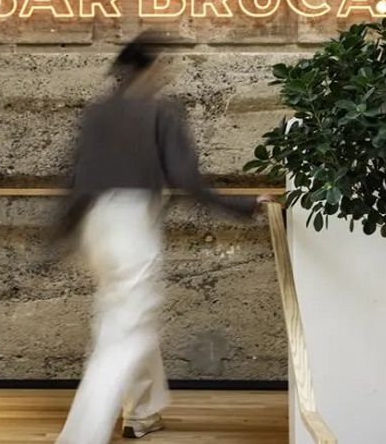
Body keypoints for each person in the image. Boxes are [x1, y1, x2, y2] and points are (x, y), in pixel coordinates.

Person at [53, 33, 273, 443]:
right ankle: (80, 437)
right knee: (126, 335)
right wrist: (243, 204)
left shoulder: (97, 113)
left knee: (121, 321)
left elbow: (75, 176)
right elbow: (186, 179)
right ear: (150, 68)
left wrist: (60, 235)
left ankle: (142, 413)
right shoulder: (161, 112)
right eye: (163, 64)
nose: (166, 71)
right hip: (133, 226)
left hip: (96, 226)